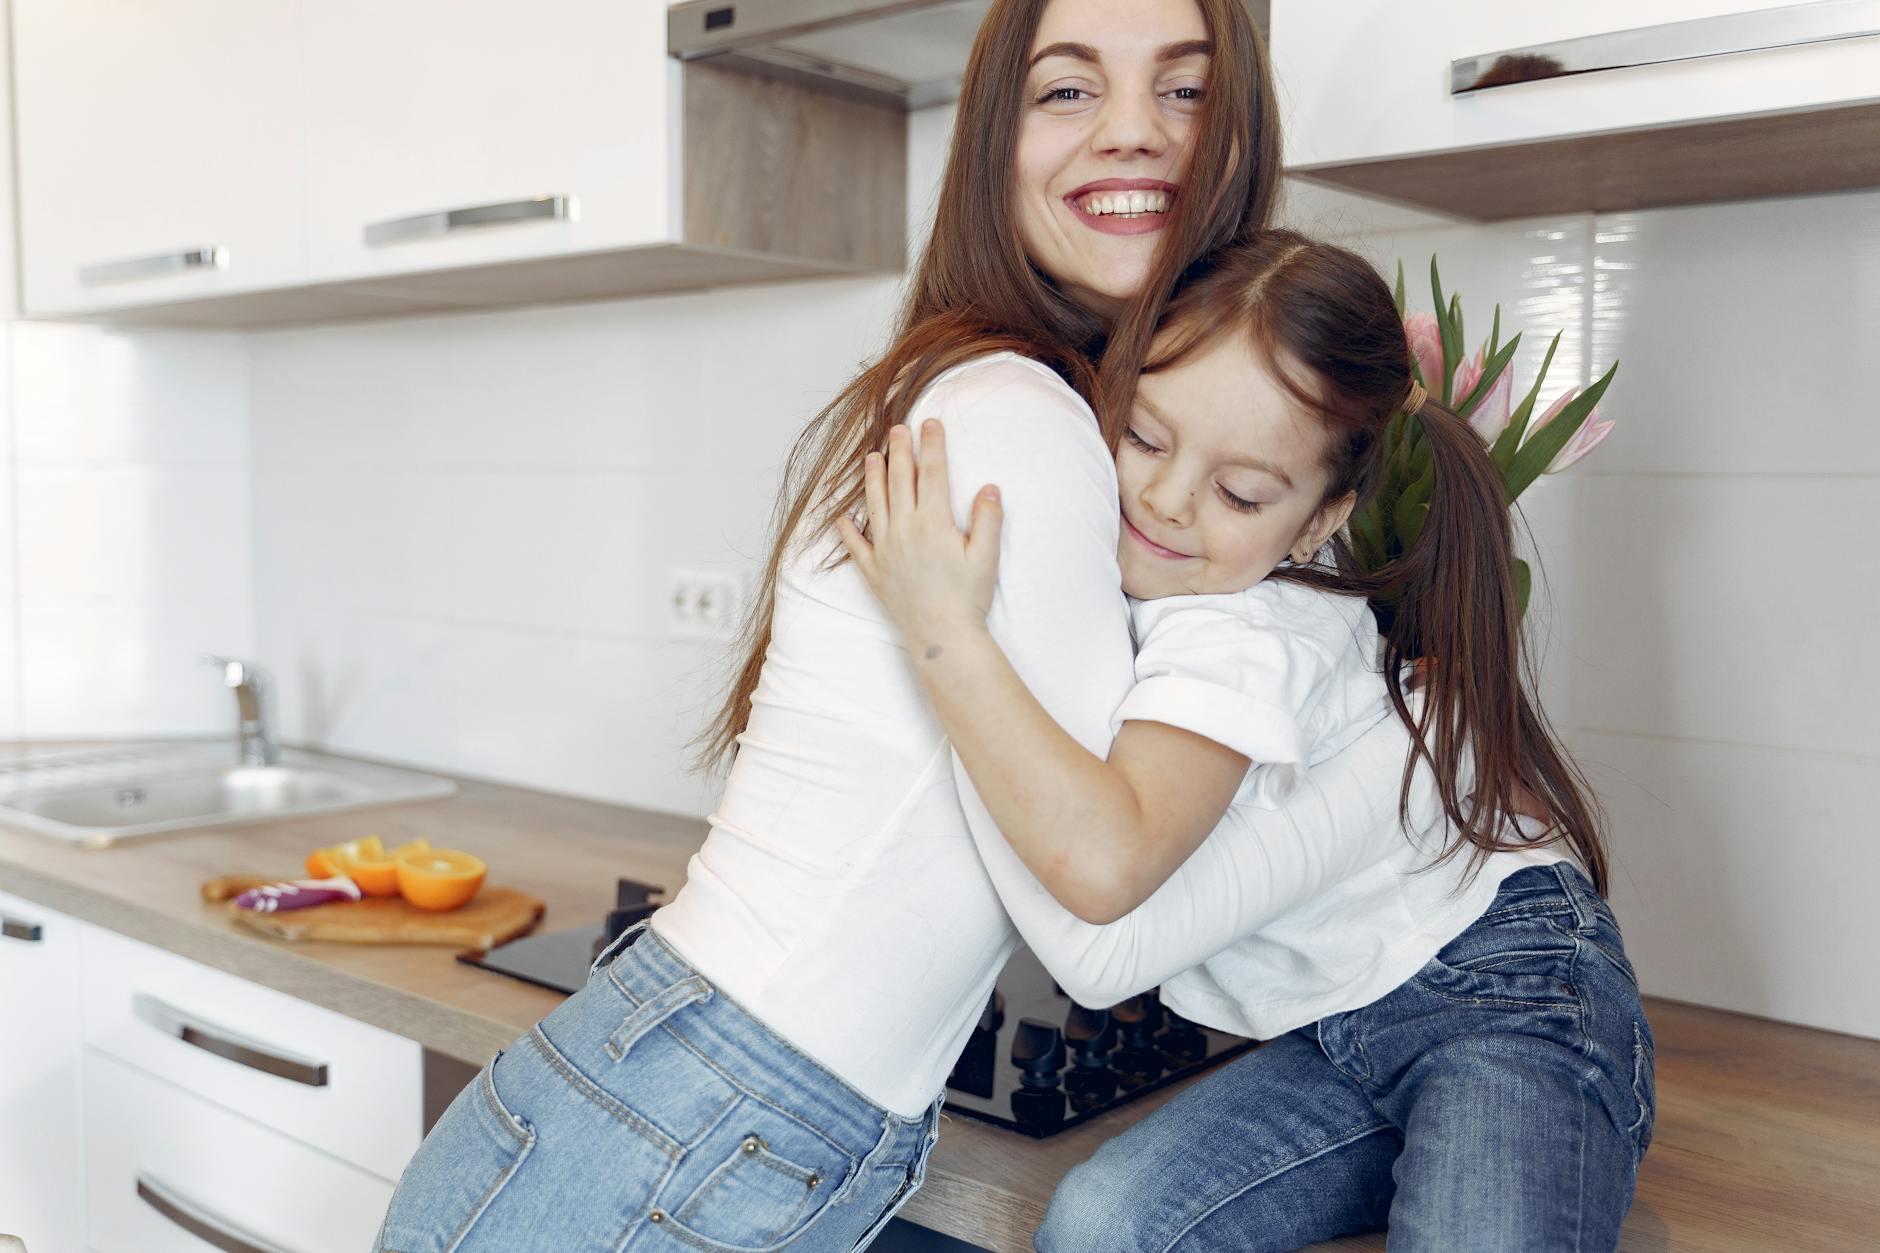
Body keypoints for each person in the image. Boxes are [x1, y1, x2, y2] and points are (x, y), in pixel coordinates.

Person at [372, 1, 1333, 1249]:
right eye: (1066, 91)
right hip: (685, 1133)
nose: (1133, 134)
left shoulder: (1028, 405)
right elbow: (1103, 894)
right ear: (996, 141)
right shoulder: (1017, 419)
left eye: (1186, 91)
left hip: (684, 1113)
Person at [840, 230, 1653, 1251]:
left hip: (1509, 993)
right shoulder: (1138, 597)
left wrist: (943, 627)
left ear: (1319, 521)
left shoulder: (1243, 631)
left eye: (1239, 493)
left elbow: (1101, 864)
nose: (1168, 499)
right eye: (1142, 436)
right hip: (1335, 1027)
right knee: (1100, 1225)